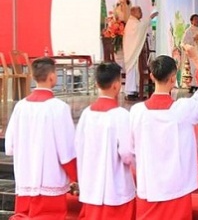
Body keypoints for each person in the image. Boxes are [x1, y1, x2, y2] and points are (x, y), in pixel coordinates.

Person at [129, 45, 198, 220]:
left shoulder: (137, 111)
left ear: (152, 76)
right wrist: (197, 60)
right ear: (173, 78)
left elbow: (130, 150)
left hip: (150, 183)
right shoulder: (183, 109)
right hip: (177, 185)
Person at [5, 57, 77, 219]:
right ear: (52, 76)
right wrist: (76, 177)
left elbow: (9, 147)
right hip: (50, 183)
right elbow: (67, 153)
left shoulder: (20, 107)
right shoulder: (59, 108)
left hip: (25, 181)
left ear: (33, 75)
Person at [75, 62, 136, 219]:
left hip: (91, 184)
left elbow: (78, 146)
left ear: (96, 84)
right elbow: (126, 153)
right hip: (115, 187)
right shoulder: (121, 115)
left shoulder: (86, 114)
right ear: (117, 86)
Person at [123, 6, 158, 100]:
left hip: (134, 52)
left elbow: (141, 27)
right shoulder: (132, 22)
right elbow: (141, 27)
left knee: (135, 71)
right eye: (139, 11)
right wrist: (151, 17)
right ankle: (130, 92)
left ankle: (134, 91)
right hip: (131, 52)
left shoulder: (134, 22)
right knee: (132, 71)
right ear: (133, 12)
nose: (141, 13)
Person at [181, 14, 198, 92]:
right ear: (191, 21)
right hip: (194, 52)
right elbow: (184, 42)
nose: (197, 20)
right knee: (195, 68)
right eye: (196, 19)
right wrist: (194, 38)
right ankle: (194, 85)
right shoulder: (189, 30)